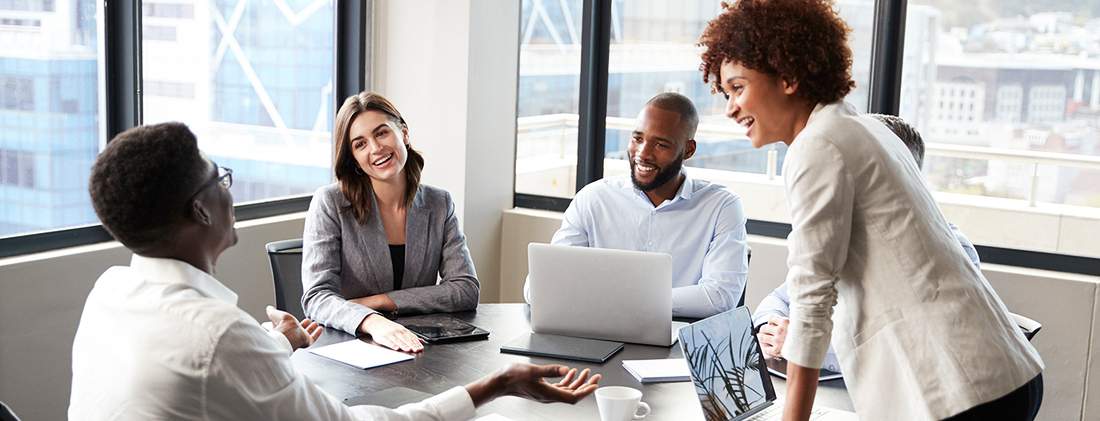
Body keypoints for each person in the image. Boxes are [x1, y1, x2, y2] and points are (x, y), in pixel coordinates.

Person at [70, 122, 600, 420]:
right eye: (220, 179)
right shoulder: (219, 335)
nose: (228, 189)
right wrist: (496, 384)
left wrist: (279, 342)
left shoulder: (109, 292)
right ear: (201, 210)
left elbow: (222, 364)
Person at [698, 1, 1043, 420]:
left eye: (738, 88)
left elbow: (811, 300)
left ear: (787, 76)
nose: (730, 107)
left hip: (959, 386)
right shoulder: (858, 127)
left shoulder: (818, 144)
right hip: (997, 373)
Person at [752, 114, 982, 373]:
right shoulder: (849, 233)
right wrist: (769, 329)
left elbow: (900, 352)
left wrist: (799, 342)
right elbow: (781, 297)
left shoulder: (949, 251)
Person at [522, 92, 749, 319]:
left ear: (688, 150)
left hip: (679, 343)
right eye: (638, 139)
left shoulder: (721, 206)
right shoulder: (593, 199)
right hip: (598, 333)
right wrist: (627, 302)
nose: (642, 154)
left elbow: (720, 296)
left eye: (660, 144)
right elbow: (539, 286)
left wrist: (620, 301)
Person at [303, 92, 479, 352]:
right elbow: (317, 298)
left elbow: (465, 290)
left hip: (420, 347)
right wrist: (371, 320)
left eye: (381, 133)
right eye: (360, 144)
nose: (375, 148)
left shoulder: (439, 203)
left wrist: (381, 302)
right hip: (350, 348)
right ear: (354, 159)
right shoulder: (330, 202)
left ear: (404, 133)